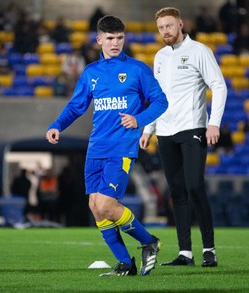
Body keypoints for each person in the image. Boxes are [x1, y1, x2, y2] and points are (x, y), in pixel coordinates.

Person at [46, 15, 168, 276]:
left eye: (120, 38)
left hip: (121, 148)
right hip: (96, 148)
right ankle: (125, 264)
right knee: (95, 208)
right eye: (110, 38)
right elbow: (76, 106)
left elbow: (160, 102)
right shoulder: (91, 73)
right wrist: (57, 124)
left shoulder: (137, 70)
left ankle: (149, 242)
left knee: (106, 206)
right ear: (99, 40)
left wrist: (139, 119)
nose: (115, 43)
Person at [140, 7, 227, 268]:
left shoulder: (199, 51)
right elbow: (157, 98)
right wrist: (148, 129)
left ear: (180, 24)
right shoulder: (160, 57)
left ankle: (209, 249)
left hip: (193, 129)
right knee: (177, 192)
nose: (165, 31)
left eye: (169, 26)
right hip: (165, 132)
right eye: (161, 28)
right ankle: (185, 253)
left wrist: (213, 123)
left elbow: (219, 86)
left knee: (194, 187)